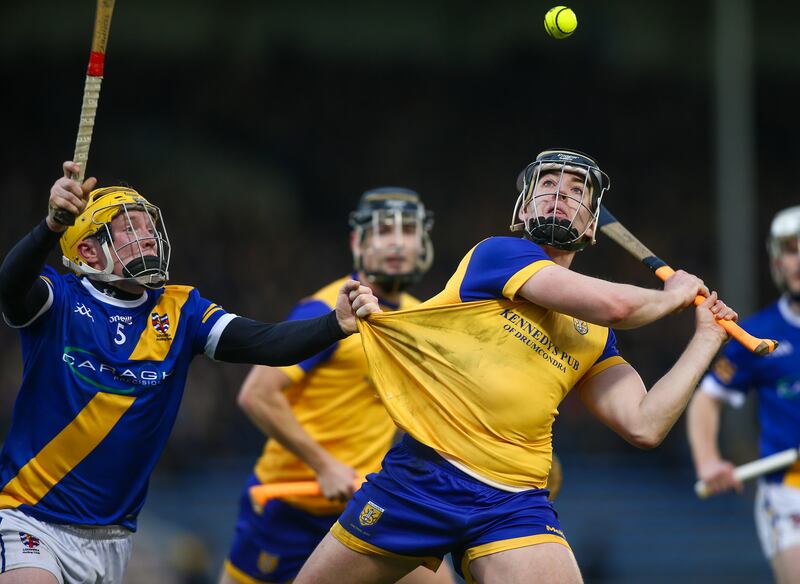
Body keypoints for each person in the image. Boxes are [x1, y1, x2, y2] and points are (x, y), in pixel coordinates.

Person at [292, 149, 738, 584]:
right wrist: (674, 295)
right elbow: (616, 305)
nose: (561, 192)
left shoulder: (596, 335)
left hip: (514, 502)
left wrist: (705, 339)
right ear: (523, 211)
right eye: (548, 184)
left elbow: (644, 424)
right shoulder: (499, 254)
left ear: (590, 228)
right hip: (422, 478)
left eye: (576, 188)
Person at [0, 161, 379, 584]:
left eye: (148, 225)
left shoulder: (182, 311)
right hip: (32, 518)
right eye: (128, 228)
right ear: (88, 250)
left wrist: (336, 324)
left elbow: (265, 342)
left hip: (114, 533)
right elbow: (10, 287)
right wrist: (49, 226)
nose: (145, 234)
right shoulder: (59, 299)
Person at [218, 187, 453, 584]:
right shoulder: (327, 308)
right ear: (357, 242)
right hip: (291, 504)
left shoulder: (419, 318)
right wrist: (324, 464)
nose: (396, 242)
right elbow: (257, 394)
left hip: (365, 505)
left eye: (408, 230)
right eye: (382, 231)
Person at [687, 205, 800, 584]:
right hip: (789, 493)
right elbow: (707, 399)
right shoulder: (757, 333)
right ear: (776, 260)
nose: (799, 259)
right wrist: (707, 461)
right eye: (790, 248)